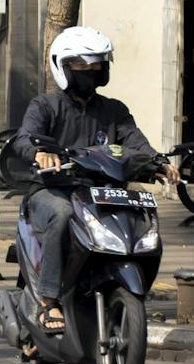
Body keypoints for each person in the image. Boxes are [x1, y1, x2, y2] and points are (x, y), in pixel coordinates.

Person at [12, 26, 171, 340]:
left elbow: (137, 144)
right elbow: (23, 139)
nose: (90, 73)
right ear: (63, 67)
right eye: (82, 67)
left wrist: (159, 164)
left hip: (102, 195)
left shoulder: (114, 111)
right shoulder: (45, 107)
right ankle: (48, 300)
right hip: (52, 191)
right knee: (62, 214)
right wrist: (40, 153)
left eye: (96, 67)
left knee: (143, 219)